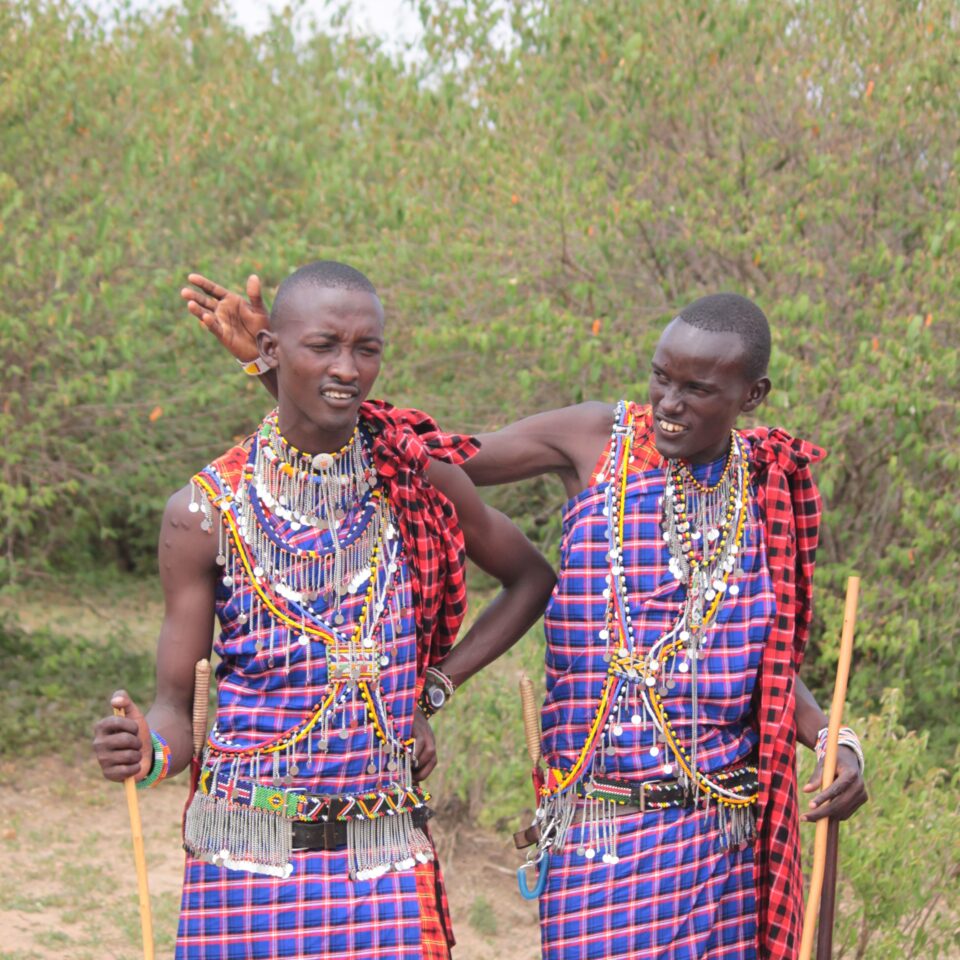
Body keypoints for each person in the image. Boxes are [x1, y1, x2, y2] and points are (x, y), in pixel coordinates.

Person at [181, 278, 868, 959]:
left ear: (752, 397)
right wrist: (280, 374)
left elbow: (767, 664)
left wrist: (836, 741)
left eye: (698, 390)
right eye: (661, 379)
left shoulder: (769, 484)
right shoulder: (597, 440)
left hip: (724, 840)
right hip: (601, 834)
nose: (669, 404)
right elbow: (421, 458)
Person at [94, 260, 556, 960]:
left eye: (365, 349)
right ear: (271, 351)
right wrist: (148, 752)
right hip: (248, 858)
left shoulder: (415, 481)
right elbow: (172, 705)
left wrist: (433, 689)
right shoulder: (204, 511)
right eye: (324, 346)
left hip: (385, 855)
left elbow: (530, 578)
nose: (348, 368)